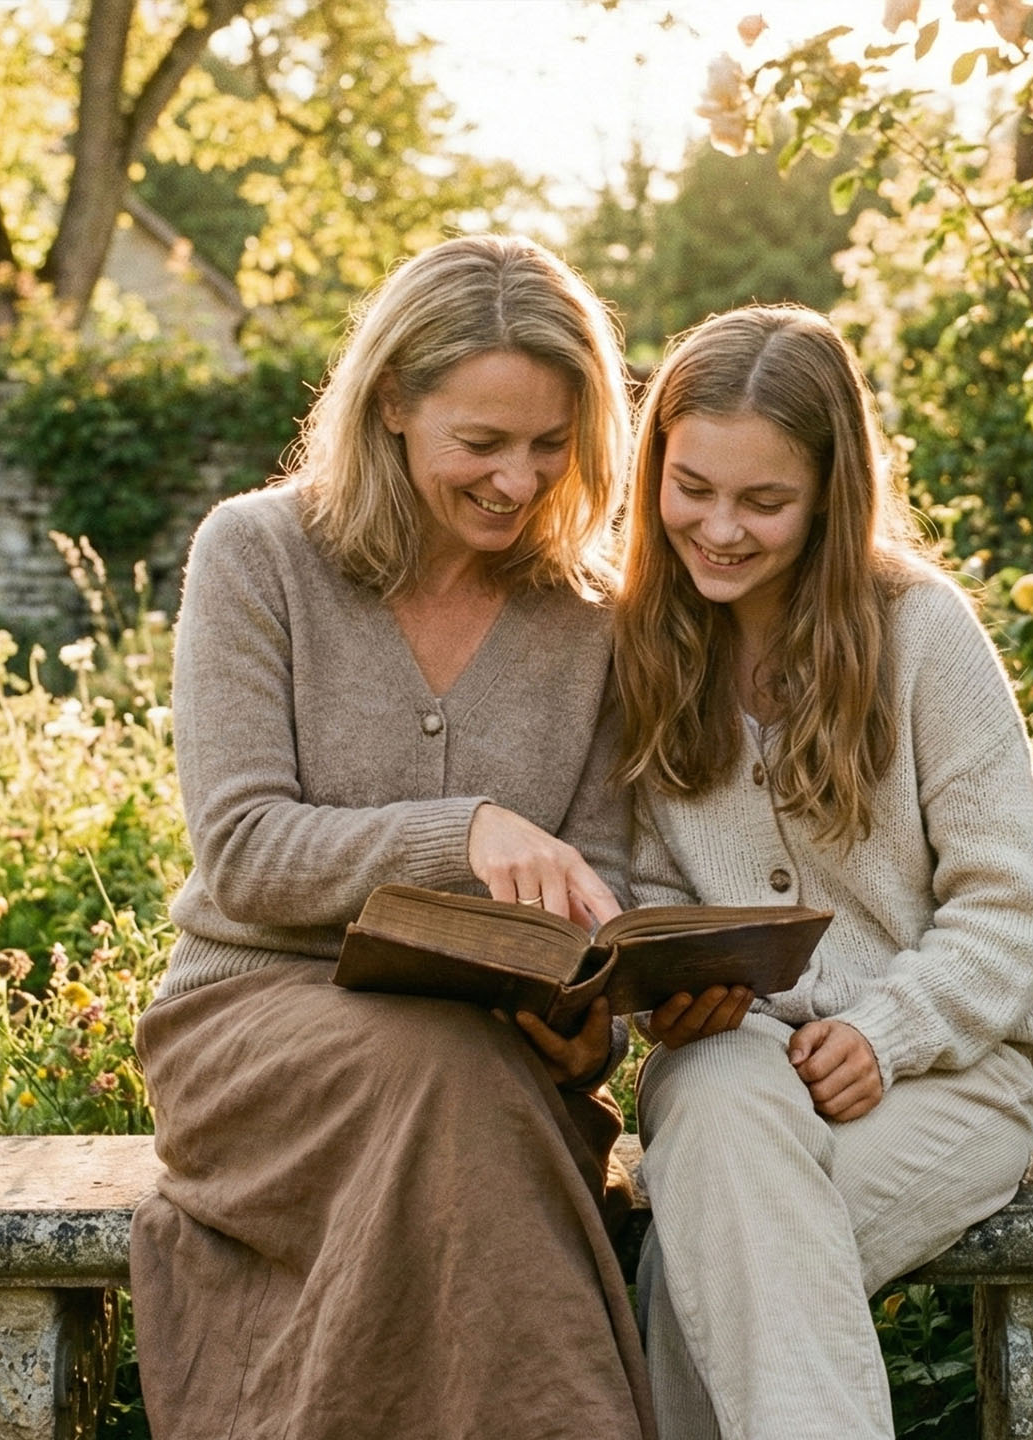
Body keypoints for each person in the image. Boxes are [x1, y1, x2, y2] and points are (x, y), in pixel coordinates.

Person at [129, 234, 731, 1440]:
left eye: (550, 445)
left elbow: (595, 887)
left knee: (462, 1081)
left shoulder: (592, 619)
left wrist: (588, 1024)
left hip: (491, 1051)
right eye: (482, 442)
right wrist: (460, 833)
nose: (518, 480)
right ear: (394, 401)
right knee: (440, 1083)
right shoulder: (257, 556)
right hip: (253, 1027)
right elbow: (241, 849)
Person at [613, 304, 1033, 1440]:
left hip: (950, 1076)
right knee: (721, 1113)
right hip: (725, 1059)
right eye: (692, 488)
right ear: (653, 469)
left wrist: (886, 1029)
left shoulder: (921, 633)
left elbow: (1009, 907)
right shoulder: (639, 642)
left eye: (763, 502)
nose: (718, 529)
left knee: (696, 1279)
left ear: (830, 495)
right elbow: (642, 884)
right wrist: (681, 976)